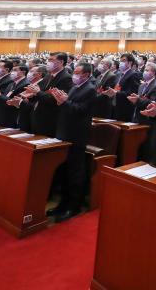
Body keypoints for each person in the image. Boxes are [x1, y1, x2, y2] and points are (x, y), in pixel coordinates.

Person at [47, 62, 97, 222]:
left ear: (86, 74)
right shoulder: (76, 87)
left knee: (75, 172)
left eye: (77, 72)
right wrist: (61, 101)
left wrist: (65, 102)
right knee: (64, 170)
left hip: (77, 136)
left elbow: (81, 110)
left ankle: (73, 207)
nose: (74, 74)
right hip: (65, 133)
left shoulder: (90, 89)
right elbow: (69, 107)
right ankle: (63, 204)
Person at [111, 53, 142, 121]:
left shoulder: (133, 74)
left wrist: (116, 93)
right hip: (116, 104)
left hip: (125, 108)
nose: (121, 63)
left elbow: (132, 93)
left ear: (130, 63)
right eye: (120, 60)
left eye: (124, 60)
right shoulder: (120, 74)